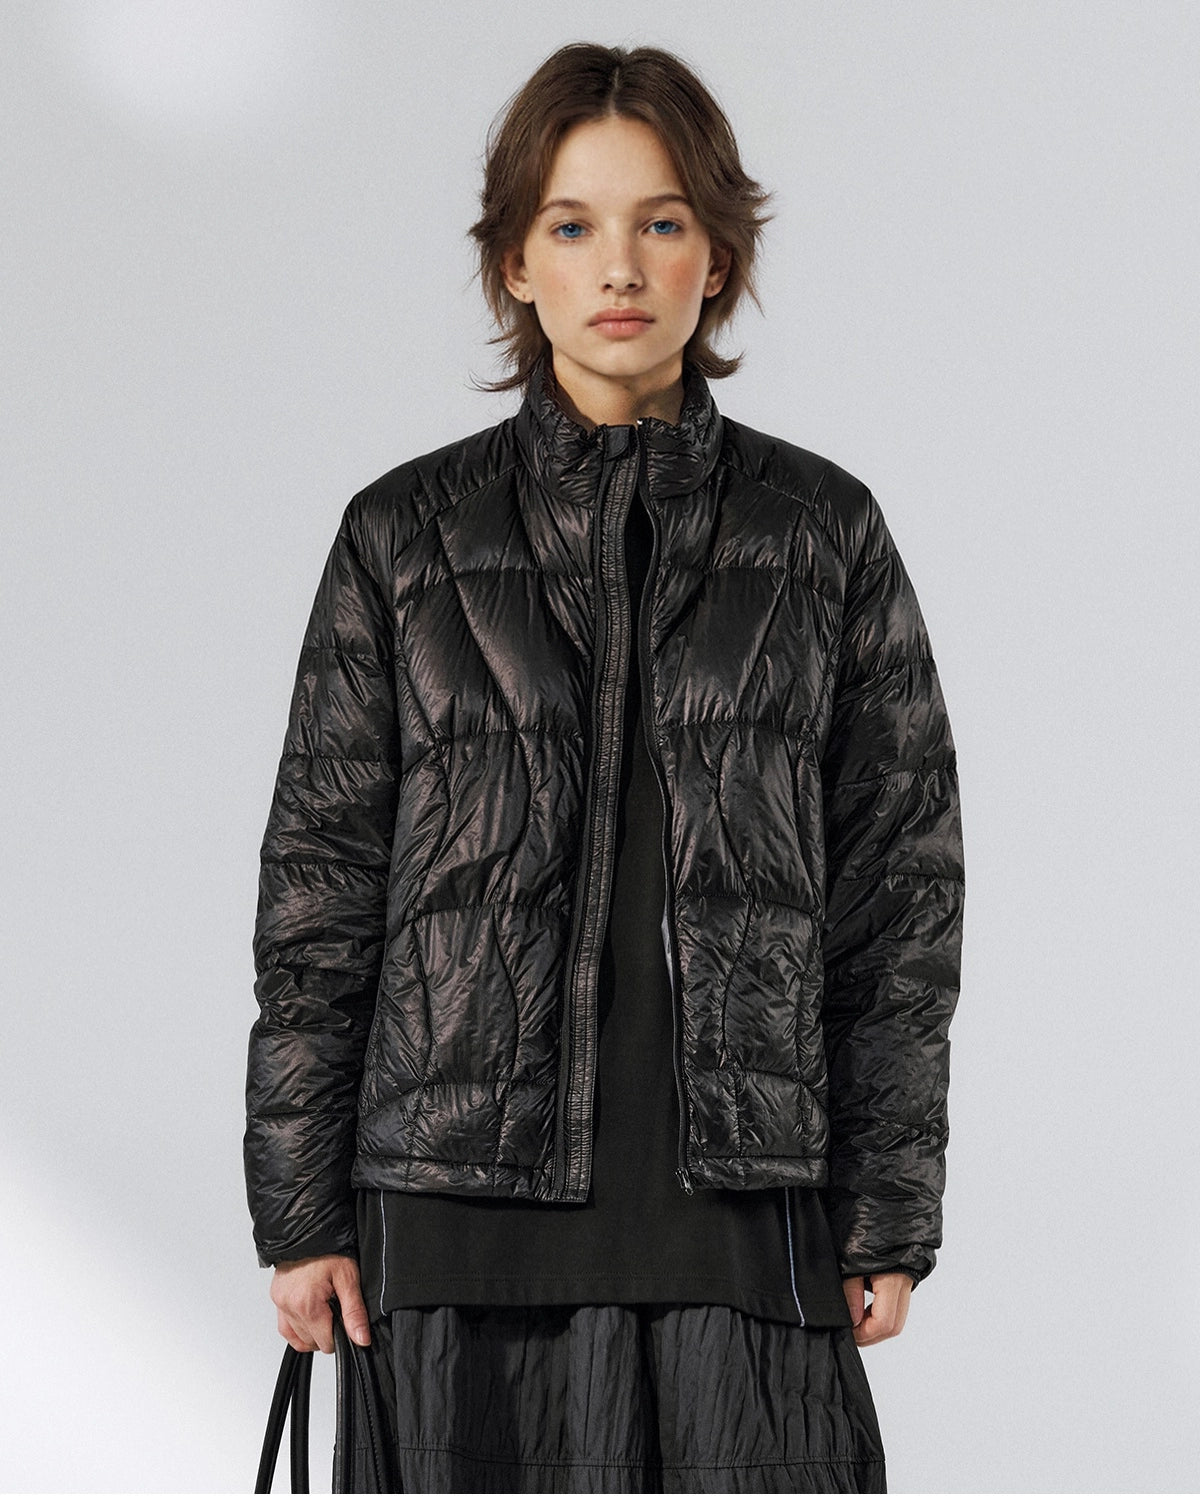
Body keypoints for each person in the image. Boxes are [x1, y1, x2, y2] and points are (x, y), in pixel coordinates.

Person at [244, 40, 964, 1494]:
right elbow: (321, 893)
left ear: (719, 256)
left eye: (663, 221)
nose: (619, 266)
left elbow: (899, 896)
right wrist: (300, 1208)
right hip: (453, 1217)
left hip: (742, 1213)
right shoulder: (404, 537)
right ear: (516, 261)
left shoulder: (823, 533)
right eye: (572, 225)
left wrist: (887, 1202)